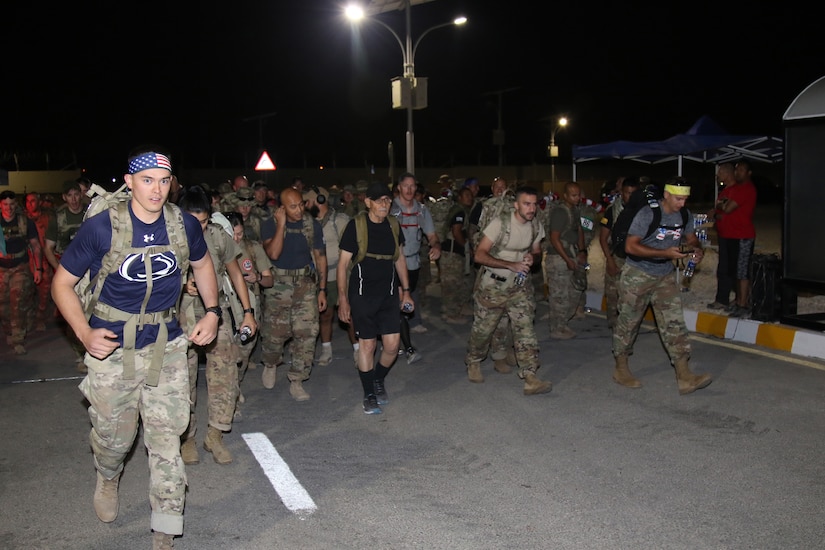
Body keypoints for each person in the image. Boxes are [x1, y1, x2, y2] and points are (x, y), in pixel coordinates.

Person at [50, 147, 221, 549]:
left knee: (167, 440)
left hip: (167, 344)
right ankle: (107, 477)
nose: (157, 190)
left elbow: (203, 264)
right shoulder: (102, 228)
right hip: (111, 350)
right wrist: (84, 334)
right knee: (115, 439)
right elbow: (61, 284)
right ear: (129, 183)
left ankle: (165, 527)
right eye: (147, 181)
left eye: (164, 181)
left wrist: (212, 312)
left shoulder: (183, 225)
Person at [177, 186, 258, 466]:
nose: (197, 228)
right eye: (191, 222)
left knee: (225, 372)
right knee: (181, 380)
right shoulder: (168, 237)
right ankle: (187, 438)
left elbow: (236, 274)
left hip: (216, 312)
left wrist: (248, 313)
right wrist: (180, 286)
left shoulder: (218, 236)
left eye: (202, 221)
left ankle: (215, 435)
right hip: (182, 316)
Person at [612, 177, 712, 395]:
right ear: (666, 195)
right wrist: (664, 253)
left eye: (685, 199)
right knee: (629, 321)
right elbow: (630, 246)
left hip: (664, 275)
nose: (682, 203)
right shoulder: (648, 214)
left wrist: (696, 249)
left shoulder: (684, 215)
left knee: (674, 322)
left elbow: (691, 238)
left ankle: (684, 376)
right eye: (678, 198)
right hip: (637, 273)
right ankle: (621, 368)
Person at [465, 186, 551, 395]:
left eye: (534, 204)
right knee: (483, 330)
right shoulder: (500, 223)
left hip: (519, 287)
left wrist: (533, 258)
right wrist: (509, 264)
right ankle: (474, 360)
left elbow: (538, 252)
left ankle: (530, 376)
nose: (531, 209)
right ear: (516, 205)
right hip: (493, 286)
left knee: (525, 330)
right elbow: (479, 255)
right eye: (526, 204)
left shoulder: (536, 225)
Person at [337, 182, 411, 414]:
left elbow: (399, 259)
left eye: (388, 200)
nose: (384, 204)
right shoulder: (355, 226)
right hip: (362, 296)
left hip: (388, 295)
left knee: (391, 346)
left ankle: (377, 379)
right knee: (367, 346)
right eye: (379, 200)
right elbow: (342, 266)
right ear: (368, 202)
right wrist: (343, 299)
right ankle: (369, 394)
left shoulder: (393, 226)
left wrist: (406, 290)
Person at [260, 187, 327, 401]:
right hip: (279, 285)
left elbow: (320, 257)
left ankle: (297, 379)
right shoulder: (269, 223)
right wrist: (281, 225)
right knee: (275, 333)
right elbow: (273, 253)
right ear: (282, 207)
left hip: (305, 284)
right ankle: (271, 363)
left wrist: (322, 289)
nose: (299, 210)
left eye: (301, 204)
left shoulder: (311, 225)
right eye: (293, 206)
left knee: (307, 332)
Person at [222, 211, 273, 422]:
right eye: (232, 234)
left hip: (249, 307)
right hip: (225, 307)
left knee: (243, 352)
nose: (236, 239)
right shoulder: (216, 248)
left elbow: (269, 280)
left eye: (240, 234)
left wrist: (258, 277)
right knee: (227, 355)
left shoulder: (252, 248)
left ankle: (236, 382)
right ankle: (230, 397)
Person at [304, 185, 357, 366]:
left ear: (319, 200)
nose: (304, 205)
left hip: (342, 276)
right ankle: (326, 349)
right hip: (321, 278)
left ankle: (358, 349)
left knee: (349, 315)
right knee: (324, 315)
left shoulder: (340, 220)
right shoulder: (308, 223)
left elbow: (353, 245)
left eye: (307, 201)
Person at [392, 172, 441, 361]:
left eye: (413, 186)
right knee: (400, 302)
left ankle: (393, 340)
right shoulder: (389, 208)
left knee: (404, 302)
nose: (410, 190)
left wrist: (436, 246)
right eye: (406, 186)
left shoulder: (422, 210)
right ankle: (407, 347)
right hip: (393, 263)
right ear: (399, 187)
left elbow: (432, 235)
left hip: (413, 263)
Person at [708, 160, 757, 317]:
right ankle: (737, 301)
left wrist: (720, 208)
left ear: (749, 173)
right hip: (729, 235)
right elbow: (721, 205)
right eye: (737, 170)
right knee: (732, 270)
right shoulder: (734, 189)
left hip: (742, 235)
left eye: (742, 170)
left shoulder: (747, 189)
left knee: (742, 271)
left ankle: (743, 304)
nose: (738, 173)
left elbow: (726, 208)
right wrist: (721, 207)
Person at [1, 190, 44, 355]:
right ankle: (9, 332)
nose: (9, 208)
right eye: (5, 204)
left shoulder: (25, 222)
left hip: (20, 266)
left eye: (12, 204)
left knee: (17, 302)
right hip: (1, 268)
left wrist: (38, 268)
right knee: (3, 305)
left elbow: (36, 246)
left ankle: (18, 339)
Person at [543, 182, 587, 339]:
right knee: (559, 295)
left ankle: (562, 321)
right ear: (566, 196)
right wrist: (567, 259)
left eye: (578, 194)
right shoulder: (560, 212)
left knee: (573, 291)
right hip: (558, 258)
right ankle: (557, 328)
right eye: (573, 195)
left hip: (572, 254)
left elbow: (579, 230)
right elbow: (554, 239)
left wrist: (582, 251)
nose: (577, 198)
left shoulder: (574, 210)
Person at [599, 177, 640, 329]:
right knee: (612, 293)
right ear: (622, 193)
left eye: (633, 193)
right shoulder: (612, 211)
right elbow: (603, 238)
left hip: (635, 260)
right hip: (617, 256)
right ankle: (614, 321)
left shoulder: (643, 212)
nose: (630, 196)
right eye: (627, 193)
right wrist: (610, 261)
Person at [440, 186, 474, 323]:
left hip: (454, 253)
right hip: (451, 253)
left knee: (458, 282)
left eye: (470, 195)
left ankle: (458, 309)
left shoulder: (461, 210)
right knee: (451, 284)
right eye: (466, 195)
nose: (469, 198)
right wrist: (465, 245)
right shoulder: (459, 212)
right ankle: (451, 314)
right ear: (459, 197)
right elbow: (456, 231)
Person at [25, 191, 57, 332]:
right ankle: (29, 319)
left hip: (45, 257)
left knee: (45, 290)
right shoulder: (23, 218)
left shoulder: (48, 217)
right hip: (28, 258)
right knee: (26, 292)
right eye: (28, 201)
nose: (31, 204)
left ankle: (40, 318)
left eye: (33, 201)